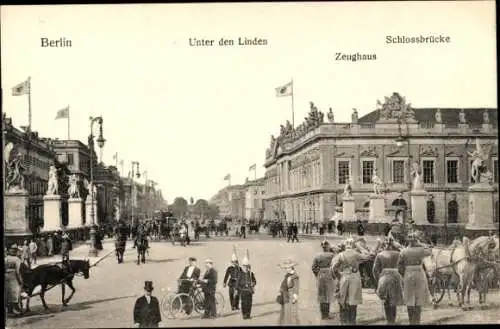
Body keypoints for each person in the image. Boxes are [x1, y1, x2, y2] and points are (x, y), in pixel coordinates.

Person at [330, 237, 372, 324]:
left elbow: (334, 268)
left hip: (344, 277)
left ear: (345, 245)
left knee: (343, 300)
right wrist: (360, 247)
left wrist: (339, 276)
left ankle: (343, 321)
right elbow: (368, 255)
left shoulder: (340, 255)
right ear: (353, 245)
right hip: (355, 278)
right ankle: (352, 321)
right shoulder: (356, 254)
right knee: (353, 300)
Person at [397, 231, 432, 324]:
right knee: (418, 297)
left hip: (408, 273)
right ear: (417, 241)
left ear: (408, 241)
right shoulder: (421, 250)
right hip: (419, 273)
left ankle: (411, 320)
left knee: (409, 297)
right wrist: (421, 244)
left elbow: (399, 265)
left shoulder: (403, 251)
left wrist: (403, 274)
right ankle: (417, 320)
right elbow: (430, 251)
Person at [372, 236, 404, 324]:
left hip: (384, 277)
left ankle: (388, 320)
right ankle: (392, 320)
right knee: (394, 299)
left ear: (385, 244)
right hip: (396, 277)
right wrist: (401, 277)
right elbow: (402, 267)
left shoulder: (380, 255)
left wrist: (378, 279)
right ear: (393, 243)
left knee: (386, 299)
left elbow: (375, 270)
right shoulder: (398, 254)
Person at [312, 240, 336, 320]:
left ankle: (323, 314)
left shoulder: (317, 255)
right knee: (328, 294)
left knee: (321, 294)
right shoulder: (332, 255)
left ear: (322, 247)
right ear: (328, 246)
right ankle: (327, 313)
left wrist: (318, 274)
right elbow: (336, 266)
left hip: (320, 274)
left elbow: (313, 267)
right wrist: (334, 275)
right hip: (329, 274)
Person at [277, 258, 300, 325]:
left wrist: (295, 296)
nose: (287, 269)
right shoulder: (287, 275)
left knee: (290, 313)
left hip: (290, 296)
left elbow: (296, 287)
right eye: (286, 268)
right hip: (285, 295)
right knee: (284, 313)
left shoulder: (294, 276)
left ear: (292, 267)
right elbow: (284, 284)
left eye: (288, 267)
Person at [5, 244, 25, 315]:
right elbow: (18, 271)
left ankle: (10, 310)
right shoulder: (17, 259)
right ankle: (16, 308)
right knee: (16, 293)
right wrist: (20, 281)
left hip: (6, 277)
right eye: (13, 249)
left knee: (8, 293)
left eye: (14, 249)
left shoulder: (6, 258)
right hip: (14, 277)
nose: (13, 250)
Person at [237, 250, 256, 319]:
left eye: (247, 266)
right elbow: (237, 283)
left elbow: (254, 281)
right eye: (244, 266)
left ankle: (248, 314)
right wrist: (238, 290)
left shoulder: (251, 274)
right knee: (244, 303)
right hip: (243, 290)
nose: (246, 268)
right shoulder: (240, 274)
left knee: (249, 303)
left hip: (249, 291)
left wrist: (253, 283)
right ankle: (244, 314)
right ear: (242, 267)